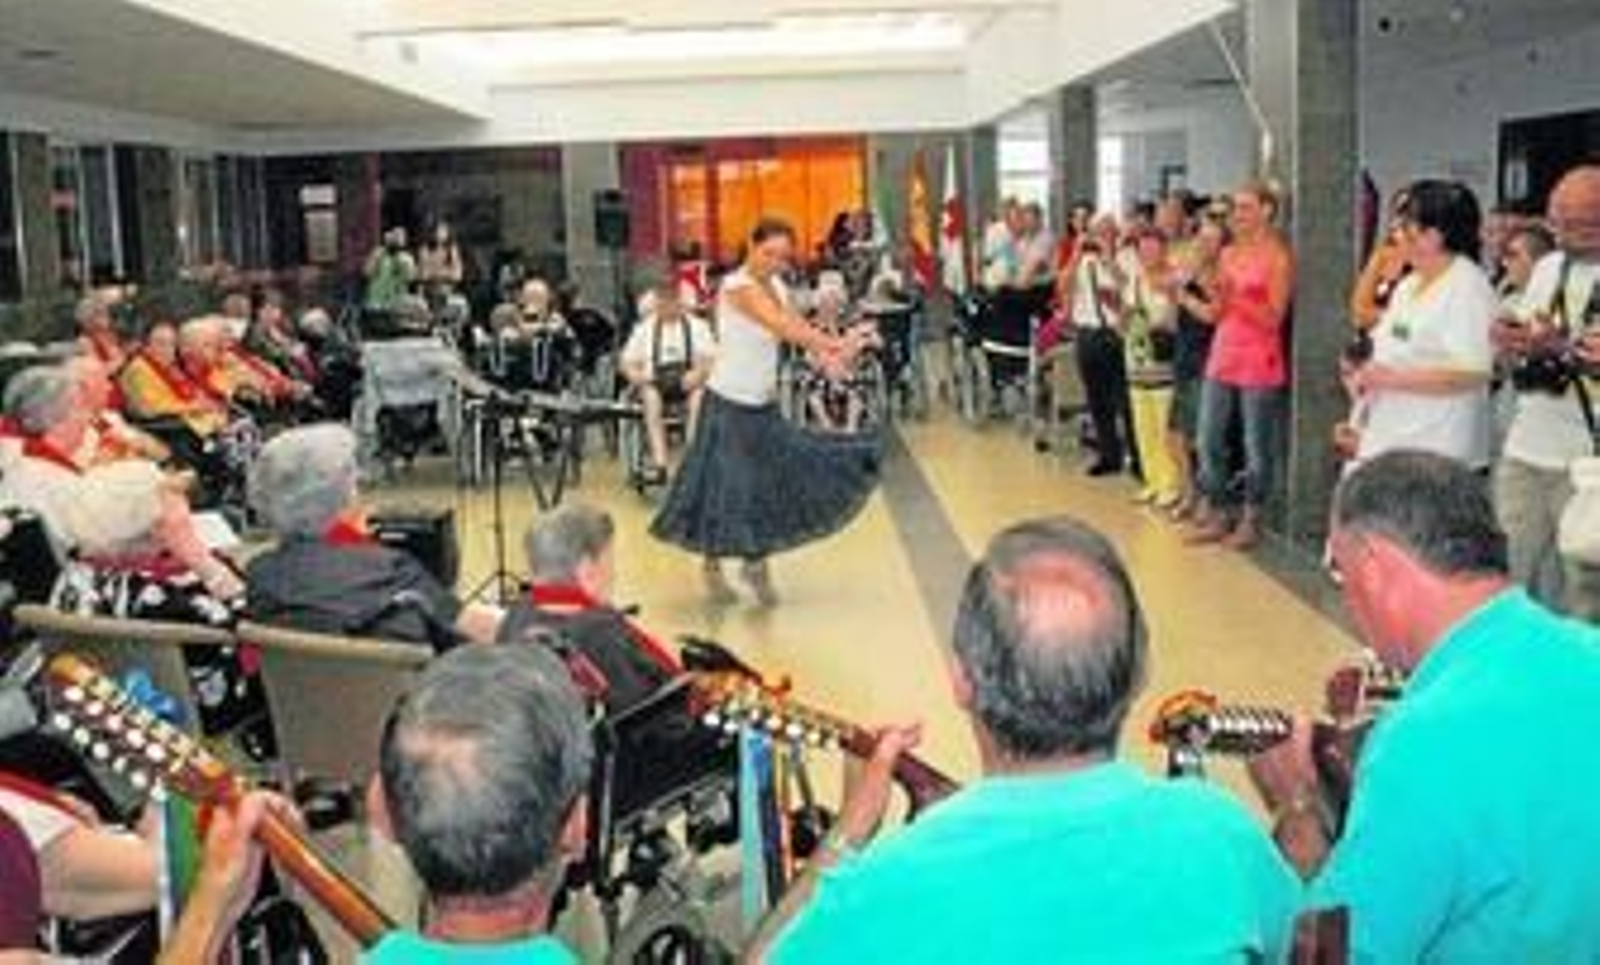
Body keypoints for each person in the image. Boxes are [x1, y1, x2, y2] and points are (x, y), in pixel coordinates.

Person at [756, 517, 1299, 962]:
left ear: (961, 680)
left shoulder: (883, 884)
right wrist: (1296, 808)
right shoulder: (1219, 832)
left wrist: (847, 834)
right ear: (1136, 674)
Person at [1250, 451, 1600, 959]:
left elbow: (1332, 955)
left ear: (1372, 566)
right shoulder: (1585, 651)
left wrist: (1297, 809)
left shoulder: (1422, 743)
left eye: (1341, 574)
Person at [651, 217, 879, 607]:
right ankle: (716, 567)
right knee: (724, 490)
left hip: (762, 404)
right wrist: (836, 344)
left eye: (783, 256)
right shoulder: (736, 287)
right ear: (751, 246)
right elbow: (777, 324)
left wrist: (828, 359)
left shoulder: (775, 285)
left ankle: (754, 565)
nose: (775, 262)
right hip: (726, 403)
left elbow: (789, 325)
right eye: (768, 253)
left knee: (763, 485)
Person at [245, 424, 502, 648]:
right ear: (344, 498)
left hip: (298, 701)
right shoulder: (390, 570)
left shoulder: (259, 575)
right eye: (353, 483)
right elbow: (473, 629)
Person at [0, 365, 243, 599]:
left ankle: (220, 580)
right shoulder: (36, 474)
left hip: (89, 575)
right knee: (176, 511)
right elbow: (92, 543)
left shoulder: (34, 464)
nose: (87, 419)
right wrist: (154, 494)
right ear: (57, 418)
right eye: (80, 408)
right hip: (90, 594)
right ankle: (223, 584)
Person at [1493, 165, 1600, 617]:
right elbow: (1534, 335)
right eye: (1557, 220)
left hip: (1588, 460)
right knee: (1502, 574)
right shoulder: (1549, 267)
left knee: (1584, 590)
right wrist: (1513, 342)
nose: (1564, 233)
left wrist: (1563, 346)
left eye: (1579, 223)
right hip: (1527, 446)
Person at [1344, 180, 1496, 469]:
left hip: (1435, 444)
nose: (1396, 235)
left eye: (1404, 227)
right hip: (1388, 433)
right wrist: (1359, 374)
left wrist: (1390, 380)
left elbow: (1471, 373)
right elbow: (1389, 344)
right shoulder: (1409, 285)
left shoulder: (1467, 287)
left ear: (1433, 235)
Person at [1187, 181, 1295, 550]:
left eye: (1246, 207)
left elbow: (1274, 318)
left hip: (1259, 360)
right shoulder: (1229, 253)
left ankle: (1252, 517)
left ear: (1267, 210)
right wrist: (1208, 286)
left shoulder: (1278, 257)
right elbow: (1218, 310)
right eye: (1235, 208)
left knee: (1256, 446)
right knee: (1207, 438)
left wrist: (1235, 298)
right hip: (1224, 352)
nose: (1238, 215)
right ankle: (1217, 509)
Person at [498, 505, 677, 713]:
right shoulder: (599, 631)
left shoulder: (517, 613)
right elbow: (643, 710)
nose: (614, 573)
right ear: (587, 570)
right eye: (609, 560)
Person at [621, 278, 716, 483]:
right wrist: (640, 377)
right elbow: (627, 364)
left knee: (699, 398)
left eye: (673, 300)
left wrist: (700, 373)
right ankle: (660, 464)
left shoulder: (698, 327)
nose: (668, 305)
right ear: (656, 302)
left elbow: (713, 361)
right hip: (655, 382)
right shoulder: (644, 329)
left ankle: (693, 461)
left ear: (681, 301)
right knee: (650, 398)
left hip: (689, 382)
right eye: (663, 300)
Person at [1166, 216, 1226, 520]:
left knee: (1203, 438)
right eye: (1201, 240)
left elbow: (1215, 314)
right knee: (1174, 435)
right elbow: (1172, 310)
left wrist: (1187, 294)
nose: (1204, 246)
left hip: (1208, 359)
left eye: (1211, 241)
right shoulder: (1189, 271)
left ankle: (1207, 498)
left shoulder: (1219, 275)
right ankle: (1188, 489)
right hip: (1185, 355)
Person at [1063, 214, 1132, 475]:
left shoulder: (1126, 256)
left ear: (1115, 233)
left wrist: (1108, 257)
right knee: (1097, 400)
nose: (1101, 236)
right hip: (1088, 334)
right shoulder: (1083, 261)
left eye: (1107, 231)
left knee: (1123, 400)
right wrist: (1075, 255)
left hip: (1116, 334)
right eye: (1097, 232)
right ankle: (1108, 455)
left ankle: (1136, 458)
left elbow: (1127, 283)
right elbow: (1064, 285)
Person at [1123, 227, 1183, 507]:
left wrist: (1161, 316)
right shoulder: (1134, 280)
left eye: (1153, 248)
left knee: (1163, 427)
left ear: (1164, 249)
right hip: (1137, 361)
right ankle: (1152, 480)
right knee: (1143, 426)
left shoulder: (1173, 280)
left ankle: (1170, 483)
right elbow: (1124, 318)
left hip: (1162, 364)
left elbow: (1174, 322)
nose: (1147, 255)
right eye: (1142, 250)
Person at [119, 319, 230, 438]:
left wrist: (202, 403)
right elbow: (150, 409)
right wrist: (194, 406)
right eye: (160, 343)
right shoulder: (139, 368)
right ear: (147, 346)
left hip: (182, 420)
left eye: (171, 344)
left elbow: (189, 393)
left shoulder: (170, 367)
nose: (167, 349)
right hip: (162, 428)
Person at [364, 227, 416, 313]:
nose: (395, 241)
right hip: (376, 301)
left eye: (398, 239)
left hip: (396, 303)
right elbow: (367, 273)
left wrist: (404, 264)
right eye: (393, 237)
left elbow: (411, 278)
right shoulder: (379, 253)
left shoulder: (407, 258)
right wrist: (376, 259)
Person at [417, 222, 464, 307]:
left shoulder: (452, 250)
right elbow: (424, 274)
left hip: (447, 288)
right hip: (430, 288)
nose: (440, 234)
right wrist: (442, 274)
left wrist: (440, 275)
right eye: (438, 231)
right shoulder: (425, 249)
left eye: (443, 231)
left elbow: (457, 275)